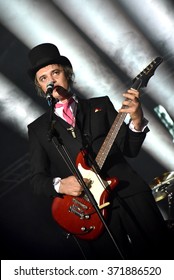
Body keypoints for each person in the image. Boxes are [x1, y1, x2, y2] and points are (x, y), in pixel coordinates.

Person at [27, 42, 172, 260]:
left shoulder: (100, 105)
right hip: (88, 211)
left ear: (67, 74)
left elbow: (129, 149)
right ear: (40, 87)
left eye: (55, 72)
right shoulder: (39, 129)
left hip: (129, 194)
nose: (51, 81)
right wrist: (60, 184)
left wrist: (137, 119)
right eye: (43, 78)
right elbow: (37, 179)